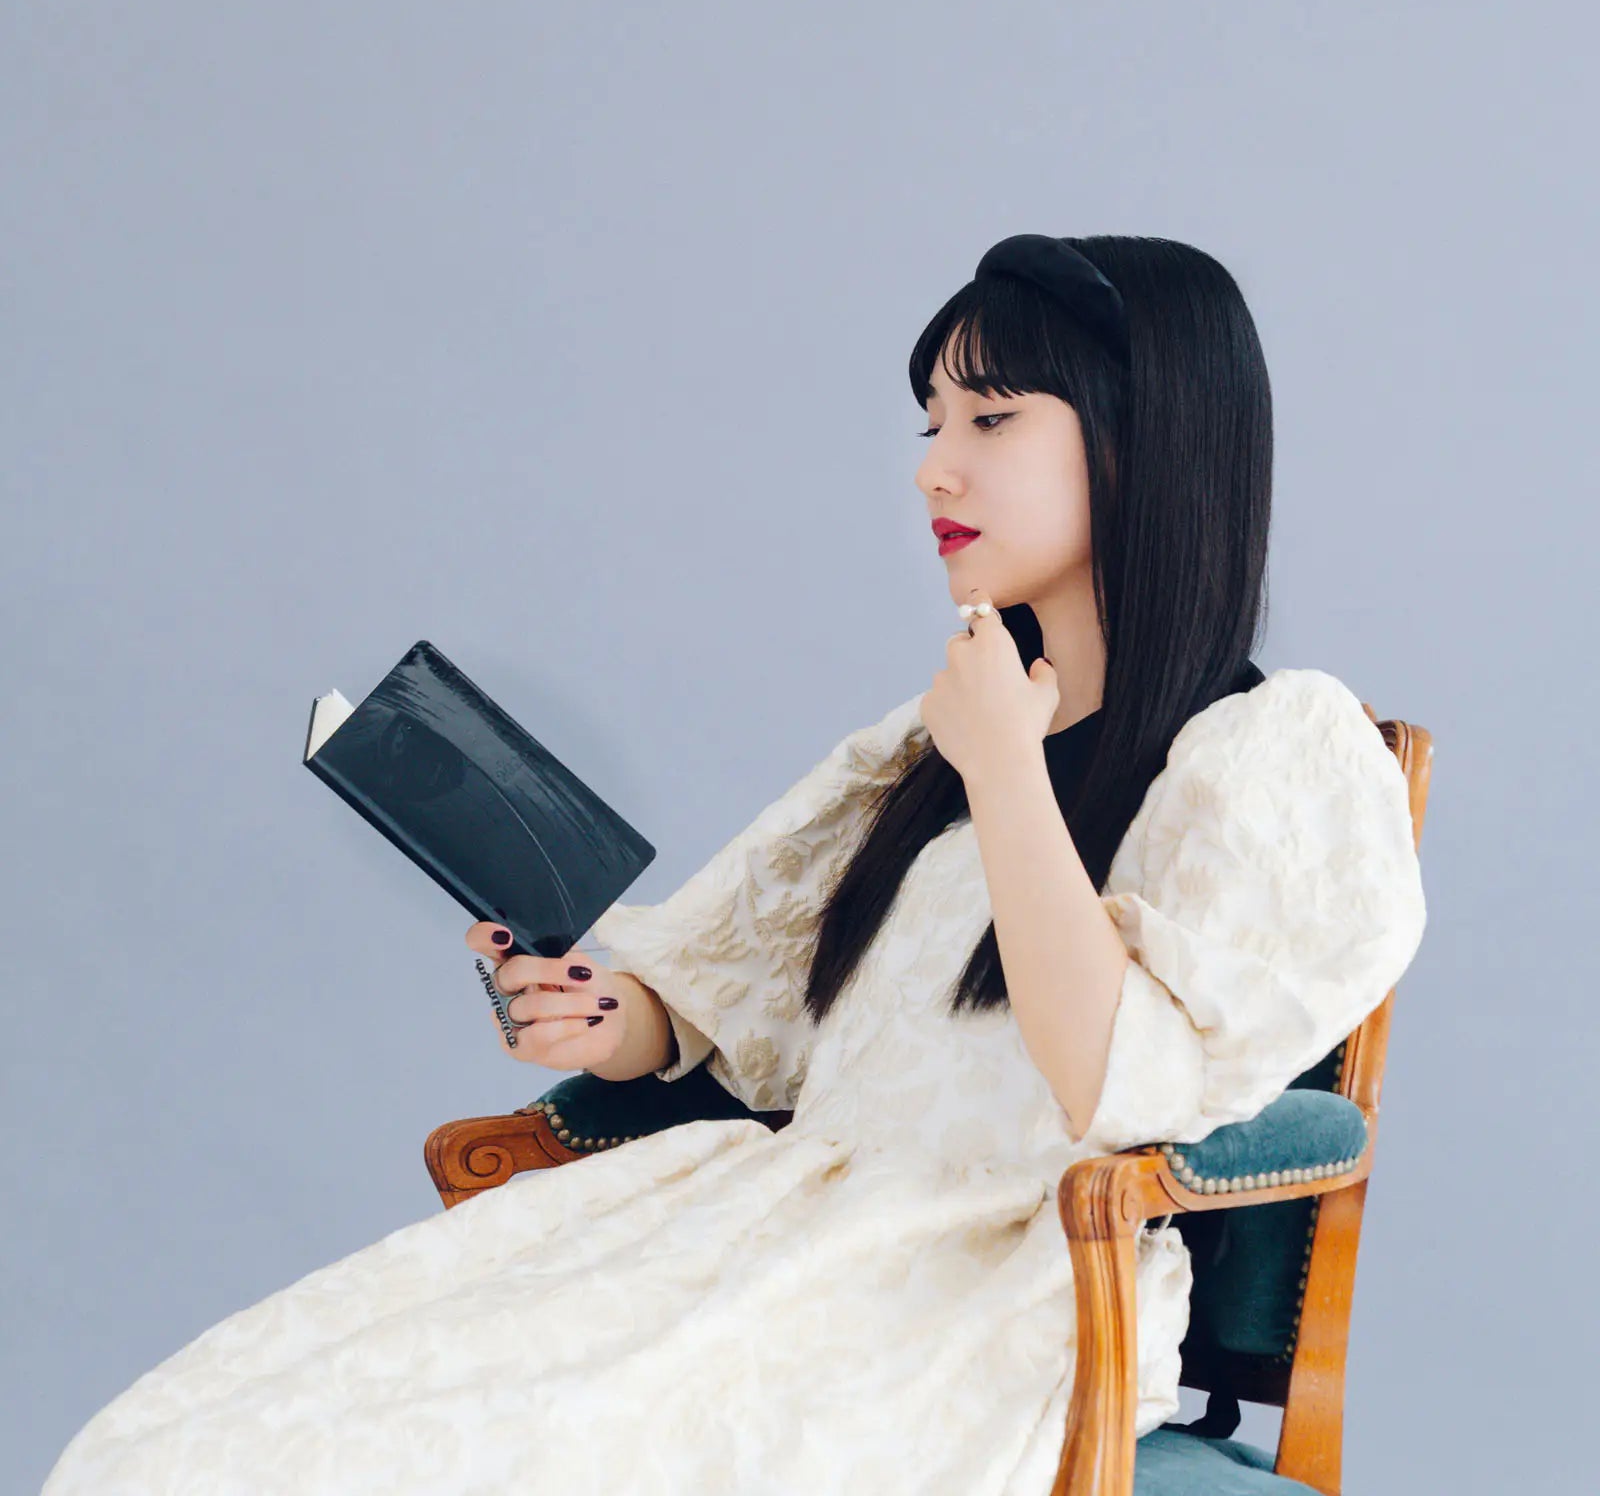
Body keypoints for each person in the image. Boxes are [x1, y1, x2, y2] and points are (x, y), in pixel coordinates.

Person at [42, 234, 1428, 1494]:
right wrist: (606, 1016)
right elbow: (749, 999)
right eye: (931, 422)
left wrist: (1009, 767)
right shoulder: (932, 739)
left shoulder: (1272, 751)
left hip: (970, 1302)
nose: (934, 467)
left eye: (992, 419)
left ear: (1146, 440)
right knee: (217, 1441)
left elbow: (1114, 1080)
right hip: (771, 1233)